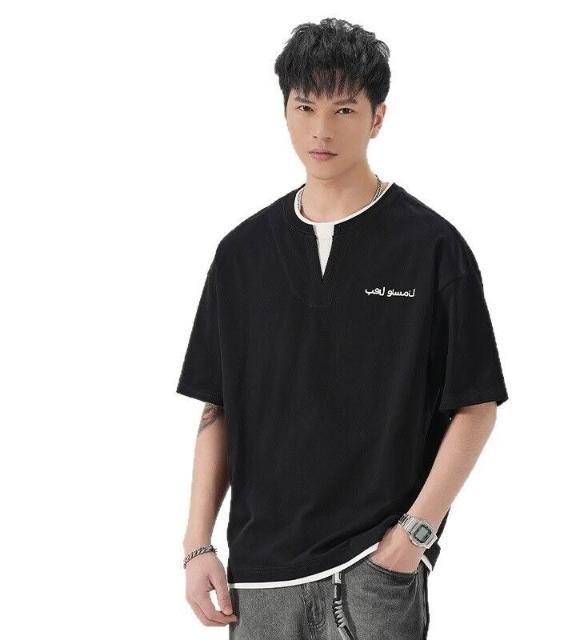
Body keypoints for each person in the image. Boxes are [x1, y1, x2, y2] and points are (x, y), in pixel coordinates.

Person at [176, 17, 508, 640]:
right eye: (305, 107)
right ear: (285, 110)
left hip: (372, 572)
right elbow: (217, 409)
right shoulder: (241, 254)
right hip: (259, 581)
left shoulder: (432, 248)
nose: (321, 130)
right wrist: (198, 546)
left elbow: (476, 404)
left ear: (378, 117)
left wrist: (413, 536)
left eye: (344, 109)